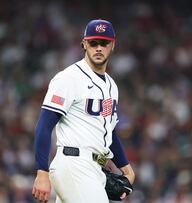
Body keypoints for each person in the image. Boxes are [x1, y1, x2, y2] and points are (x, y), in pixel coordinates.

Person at [32, 19, 135, 203]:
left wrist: (126, 167)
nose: (98, 48)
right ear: (84, 44)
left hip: (95, 168)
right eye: (93, 42)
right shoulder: (69, 78)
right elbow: (44, 125)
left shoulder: (111, 85)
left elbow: (107, 130)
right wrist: (41, 171)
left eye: (104, 43)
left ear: (112, 45)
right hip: (74, 163)